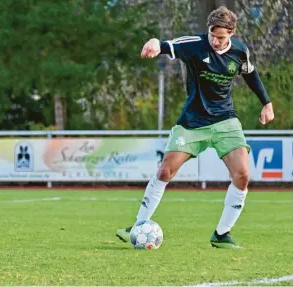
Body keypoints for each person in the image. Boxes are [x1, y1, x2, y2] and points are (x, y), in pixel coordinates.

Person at [116, 6, 274, 248]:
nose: (215, 41)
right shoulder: (195, 44)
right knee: (165, 172)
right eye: (212, 35)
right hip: (192, 122)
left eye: (221, 37)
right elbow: (168, 45)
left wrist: (266, 103)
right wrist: (155, 42)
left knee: (242, 175)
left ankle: (221, 234)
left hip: (226, 120)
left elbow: (250, 74)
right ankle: (138, 225)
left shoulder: (241, 51)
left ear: (231, 33)